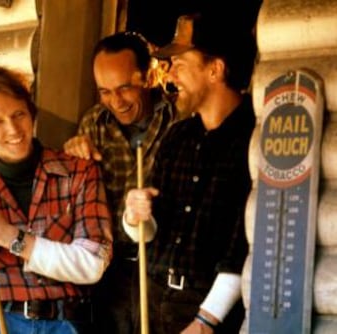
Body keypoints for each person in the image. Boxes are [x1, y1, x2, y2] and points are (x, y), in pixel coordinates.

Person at [0, 66, 113, 334]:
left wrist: (10, 237)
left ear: (31, 114)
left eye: (19, 114)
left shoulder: (79, 172)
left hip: (66, 321)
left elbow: (91, 265)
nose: (13, 129)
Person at [123, 13, 257, 334]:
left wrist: (206, 321)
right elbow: (150, 232)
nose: (170, 76)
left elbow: (244, 243)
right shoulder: (177, 136)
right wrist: (134, 216)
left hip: (210, 312)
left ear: (215, 69)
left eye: (180, 64)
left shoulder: (255, 139)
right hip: (152, 298)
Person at [63, 32, 180, 334]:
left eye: (125, 87)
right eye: (105, 91)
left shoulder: (179, 117)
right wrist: (71, 159)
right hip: (108, 273)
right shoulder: (93, 124)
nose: (116, 102)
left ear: (148, 76)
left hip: (159, 270)